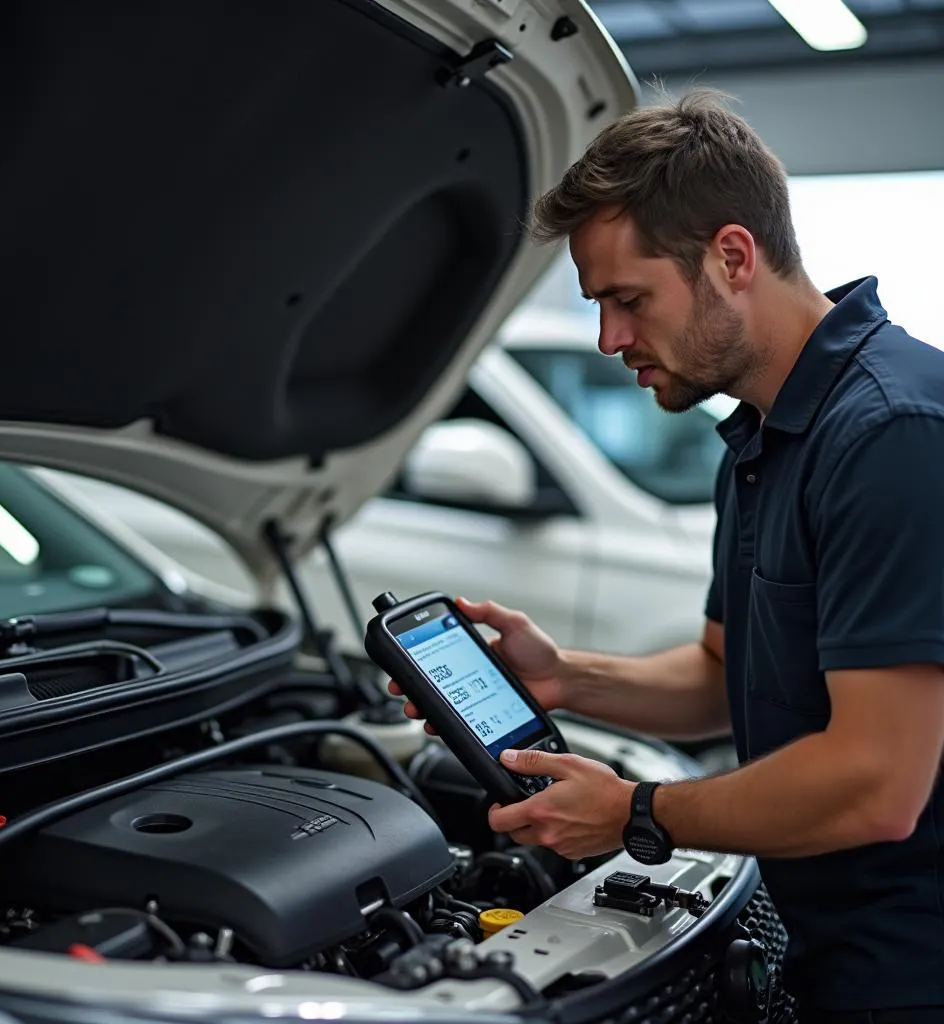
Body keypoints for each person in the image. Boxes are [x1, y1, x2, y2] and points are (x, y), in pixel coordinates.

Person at [389, 89, 944, 1021]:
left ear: (731, 256)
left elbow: (876, 786)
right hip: (832, 952)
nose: (610, 339)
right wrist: (566, 677)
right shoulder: (768, 436)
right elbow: (720, 675)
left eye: (627, 299)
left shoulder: (892, 433)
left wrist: (636, 813)